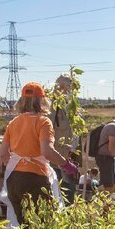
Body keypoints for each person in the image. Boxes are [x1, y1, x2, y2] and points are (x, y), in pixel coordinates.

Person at [0, 82, 69, 227]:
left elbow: (3, 153)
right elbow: (47, 151)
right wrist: (66, 164)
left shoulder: (13, 123)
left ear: (22, 101)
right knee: (42, 225)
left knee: (24, 226)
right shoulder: (43, 122)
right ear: (42, 100)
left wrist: (19, 161)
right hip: (35, 179)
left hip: (14, 180)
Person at [50, 74, 82, 203]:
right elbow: (48, 129)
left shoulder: (70, 105)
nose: (71, 91)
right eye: (69, 87)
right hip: (57, 155)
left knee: (69, 188)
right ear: (61, 87)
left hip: (70, 154)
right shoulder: (53, 105)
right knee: (63, 189)